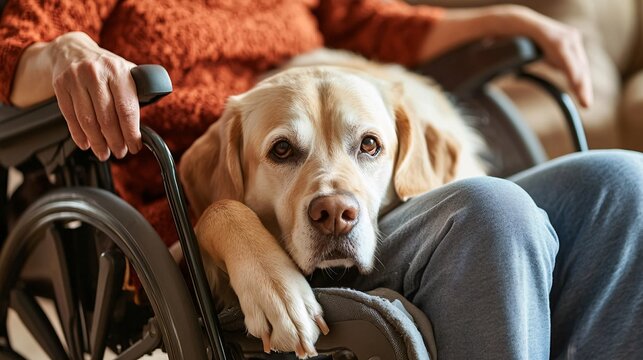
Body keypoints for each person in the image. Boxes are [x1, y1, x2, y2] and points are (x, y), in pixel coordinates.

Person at [0, 0, 640, 358]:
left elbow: (363, 23)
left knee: (623, 183)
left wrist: (507, 21)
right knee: (491, 209)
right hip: (200, 204)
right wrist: (62, 52)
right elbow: (13, 50)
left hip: (347, 178)